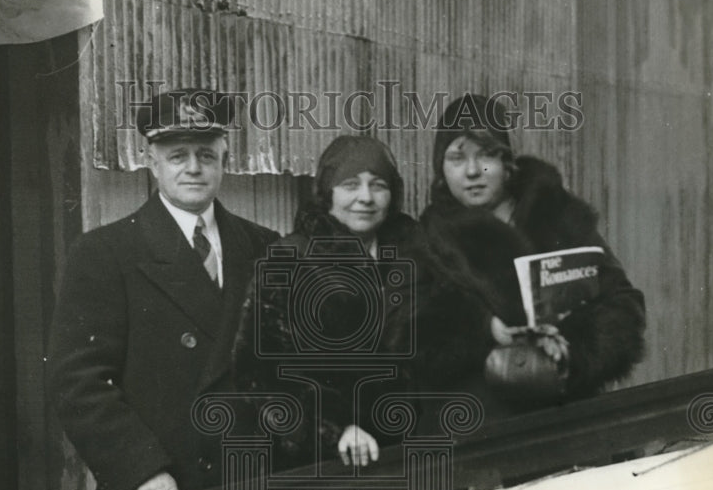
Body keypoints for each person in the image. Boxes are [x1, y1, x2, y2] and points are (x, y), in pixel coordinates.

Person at [47, 88, 279, 490]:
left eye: (206, 155)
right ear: (152, 161)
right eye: (177, 156)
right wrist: (142, 469)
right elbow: (77, 381)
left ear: (225, 160)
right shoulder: (105, 252)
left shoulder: (266, 248)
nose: (193, 168)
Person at [415, 93, 645, 413]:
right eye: (457, 158)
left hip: (569, 410)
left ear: (507, 164)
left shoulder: (556, 216)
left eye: (486, 156)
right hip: (483, 422)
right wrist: (485, 330)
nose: (472, 171)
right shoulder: (429, 238)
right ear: (441, 170)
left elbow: (622, 302)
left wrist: (571, 351)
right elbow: (415, 333)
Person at [232, 135, 418, 468]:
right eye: (350, 184)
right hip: (327, 462)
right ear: (327, 192)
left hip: (409, 450)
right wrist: (333, 432)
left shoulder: (415, 253)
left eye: (378, 185)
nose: (365, 197)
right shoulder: (289, 259)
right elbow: (259, 374)